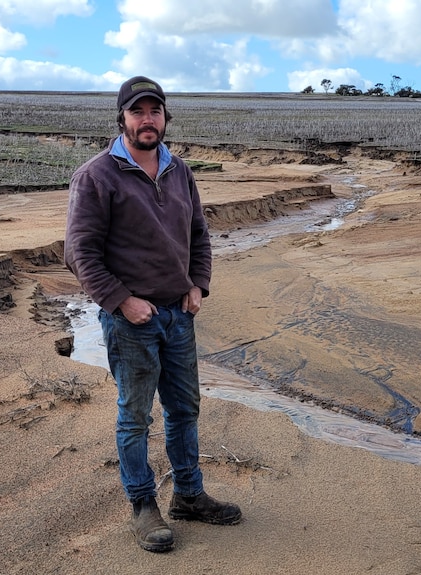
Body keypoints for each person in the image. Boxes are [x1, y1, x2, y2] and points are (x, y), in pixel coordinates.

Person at [64, 76, 241, 553]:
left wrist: (198, 284)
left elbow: (199, 235)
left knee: (184, 410)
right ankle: (143, 505)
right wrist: (121, 300)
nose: (148, 119)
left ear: (165, 118)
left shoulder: (179, 170)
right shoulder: (97, 175)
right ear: (121, 118)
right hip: (131, 322)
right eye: (138, 111)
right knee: (135, 417)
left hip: (178, 316)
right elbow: (79, 252)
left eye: (155, 111)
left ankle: (188, 495)